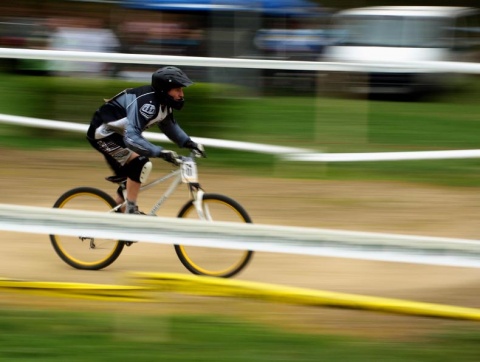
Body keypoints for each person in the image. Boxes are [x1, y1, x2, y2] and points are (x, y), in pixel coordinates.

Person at [87, 66, 205, 214]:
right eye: (177, 90)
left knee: (129, 180)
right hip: (103, 135)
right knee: (140, 162)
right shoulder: (147, 104)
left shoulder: (163, 104)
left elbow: (170, 127)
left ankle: (120, 221)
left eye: (181, 90)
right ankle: (131, 210)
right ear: (164, 90)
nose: (181, 95)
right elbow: (132, 138)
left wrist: (189, 143)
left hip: (119, 135)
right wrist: (160, 152)